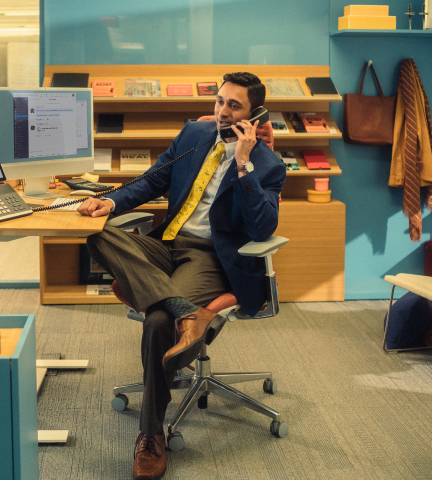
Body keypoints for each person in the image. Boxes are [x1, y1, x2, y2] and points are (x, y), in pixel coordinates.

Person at [78, 72, 286, 480]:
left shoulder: (266, 164)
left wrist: (242, 163)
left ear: (254, 115)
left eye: (234, 106)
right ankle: (183, 310)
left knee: (157, 321)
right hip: (165, 243)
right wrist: (109, 201)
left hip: (208, 256)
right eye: (220, 101)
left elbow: (262, 227)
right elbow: (153, 180)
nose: (222, 112)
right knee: (98, 235)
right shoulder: (193, 134)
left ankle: (151, 435)